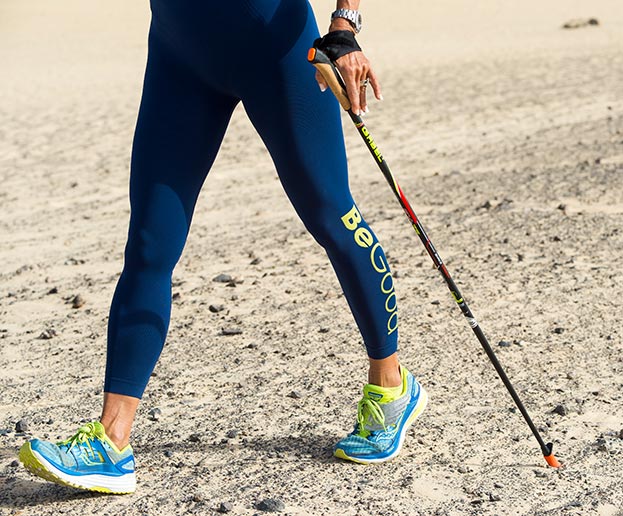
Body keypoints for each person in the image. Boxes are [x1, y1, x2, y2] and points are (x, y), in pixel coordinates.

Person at [18, 0, 428, 494]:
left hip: (275, 47)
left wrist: (345, 26)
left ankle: (391, 387)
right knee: (149, 245)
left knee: (333, 219)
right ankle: (111, 442)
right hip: (180, 52)